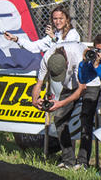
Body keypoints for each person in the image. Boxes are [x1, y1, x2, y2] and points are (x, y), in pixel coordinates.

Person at [30, 40, 88, 169]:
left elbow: (81, 89)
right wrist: (34, 100)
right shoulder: (47, 58)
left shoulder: (77, 56)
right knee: (59, 119)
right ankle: (68, 161)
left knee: (86, 122)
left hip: (88, 84)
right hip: (68, 86)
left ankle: (83, 163)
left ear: (66, 63)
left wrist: (60, 103)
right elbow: (39, 83)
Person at [75, 32, 101, 169]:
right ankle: (82, 161)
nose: (100, 54)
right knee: (86, 121)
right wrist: (85, 62)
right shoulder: (93, 60)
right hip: (94, 90)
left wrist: (97, 66)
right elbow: (83, 78)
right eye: (98, 50)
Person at [4, 5, 80, 53]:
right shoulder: (53, 35)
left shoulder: (72, 34)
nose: (58, 22)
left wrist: (54, 38)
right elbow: (34, 47)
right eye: (55, 19)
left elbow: (67, 51)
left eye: (61, 18)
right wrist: (16, 39)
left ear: (67, 19)